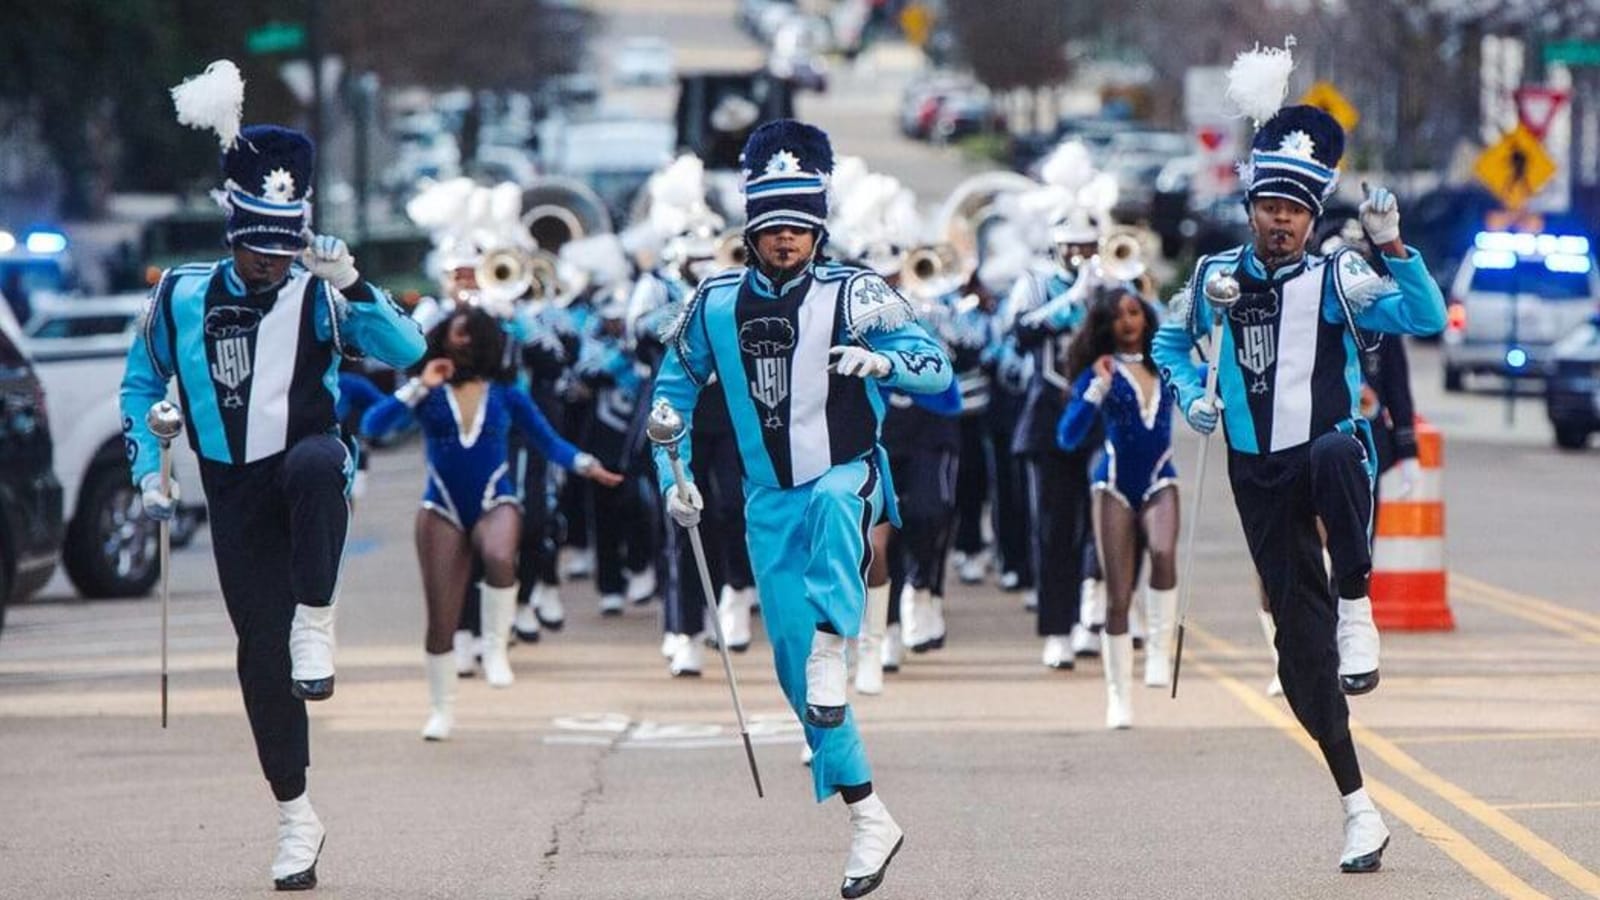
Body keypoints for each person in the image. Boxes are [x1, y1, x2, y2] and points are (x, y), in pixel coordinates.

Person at [122, 69, 427, 890]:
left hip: (306, 471)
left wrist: (354, 283)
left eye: (283, 239)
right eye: (257, 238)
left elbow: (409, 353)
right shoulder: (182, 294)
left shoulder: (319, 294)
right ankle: (296, 815)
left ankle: (318, 620)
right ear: (232, 226)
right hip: (231, 491)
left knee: (321, 459)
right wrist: (150, 470)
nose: (270, 256)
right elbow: (139, 387)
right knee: (258, 660)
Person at [1152, 46, 1446, 872]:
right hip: (1254, 471)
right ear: (1251, 206)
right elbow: (1173, 342)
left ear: (1314, 217)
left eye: (1297, 210)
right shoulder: (1212, 274)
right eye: (1271, 206)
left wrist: (1392, 245)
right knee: (1300, 657)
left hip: (1330, 452)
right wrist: (1191, 396)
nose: (1282, 221)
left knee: (1330, 452)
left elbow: (1422, 317)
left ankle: (1359, 604)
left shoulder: (1341, 277)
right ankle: (1359, 807)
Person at [651, 120, 951, 898]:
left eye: (800, 226)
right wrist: (672, 472)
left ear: (820, 229)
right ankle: (868, 816)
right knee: (800, 692)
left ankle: (833, 640)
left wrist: (882, 358)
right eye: (773, 227)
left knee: (828, 509)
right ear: (751, 231)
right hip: (764, 506)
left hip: (850, 475)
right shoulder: (713, 304)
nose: (787, 240)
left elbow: (936, 364)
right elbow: (668, 399)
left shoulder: (857, 291)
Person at [362, 306, 621, 739]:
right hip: (440, 505)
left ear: (485, 344)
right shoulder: (427, 391)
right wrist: (418, 387)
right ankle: (441, 708)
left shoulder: (506, 394)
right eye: (454, 335)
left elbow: (547, 440)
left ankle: (496, 646)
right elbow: (374, 426)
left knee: (501, 554)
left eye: (469, 337)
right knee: (441, 622)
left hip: (494, 498)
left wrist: (586, 464)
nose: (460, 343)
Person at [1056, 287, 1179, 729]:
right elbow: (1067, 437)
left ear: (1146, 318)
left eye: (1134, 312)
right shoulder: (1100, 372)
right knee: (1118, 596)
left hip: (1161, 476)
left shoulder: (1165, 364)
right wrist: (1095, 391)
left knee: (1165, 553)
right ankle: (1118, 696)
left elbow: (1210, 377)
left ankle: (1160, 652)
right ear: (1106, 326)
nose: (1127, 322)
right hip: (1112, 485)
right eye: (1117, 316)